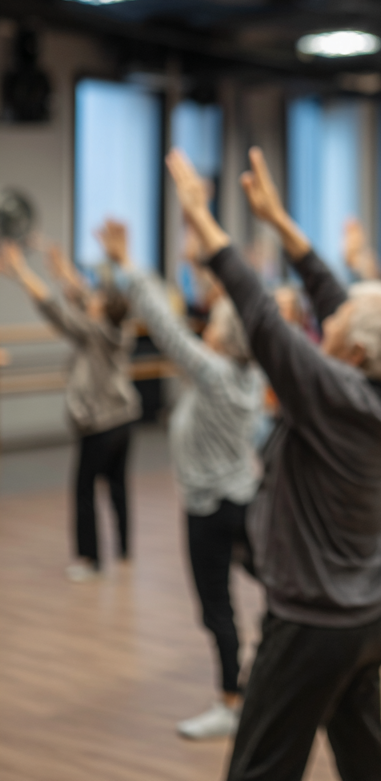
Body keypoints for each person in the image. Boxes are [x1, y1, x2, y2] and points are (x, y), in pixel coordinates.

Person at [164, 143, 381, 781]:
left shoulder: (332, 394)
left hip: (308, 628)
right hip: (364, 619)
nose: (324, 323)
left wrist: (205, 221)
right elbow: (338, 302)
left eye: (337, 326)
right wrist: (281, 226)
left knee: (257, 769)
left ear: (354, 351)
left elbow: (259, 315)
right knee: (365, 762)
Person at [96, 220, 264, 741]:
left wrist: (126, 263)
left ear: (219, 337)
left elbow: (165, 327)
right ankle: (267, 671)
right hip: (243, 497)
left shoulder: (213, 375)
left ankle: (231, 702)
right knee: (275, 583)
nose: (204, 323)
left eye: (211, 321)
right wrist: (202, 254)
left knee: (217, 607)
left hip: (209, 510)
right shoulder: (251, 373)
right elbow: (218, 306)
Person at [0, 240, 140, 582]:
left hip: (100, 425)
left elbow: (52, 307)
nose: (90, 300)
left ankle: (89, 559)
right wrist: (62, 269)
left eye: (96, 301)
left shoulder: (92, 331)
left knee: (84, 490)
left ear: (102, 310)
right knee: (118, 486)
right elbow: (82, 296)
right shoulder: (119, 330)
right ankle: (124, 550)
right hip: (124, 420)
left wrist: (21, 272)